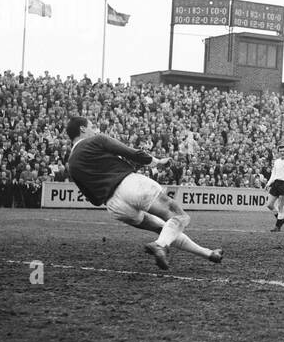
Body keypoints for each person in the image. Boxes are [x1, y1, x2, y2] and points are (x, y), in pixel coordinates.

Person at [64, 116, 222, 271]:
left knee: (164, 230)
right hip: (130, 185)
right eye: (91, 126)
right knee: (180, 217)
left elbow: (93, 200)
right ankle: (159, 246)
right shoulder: (95, 140)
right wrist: (157, 162)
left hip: (114, 206)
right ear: (83, 129)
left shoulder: (71, 165)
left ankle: (208, 254)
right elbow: (132, 153)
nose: (94, 129)